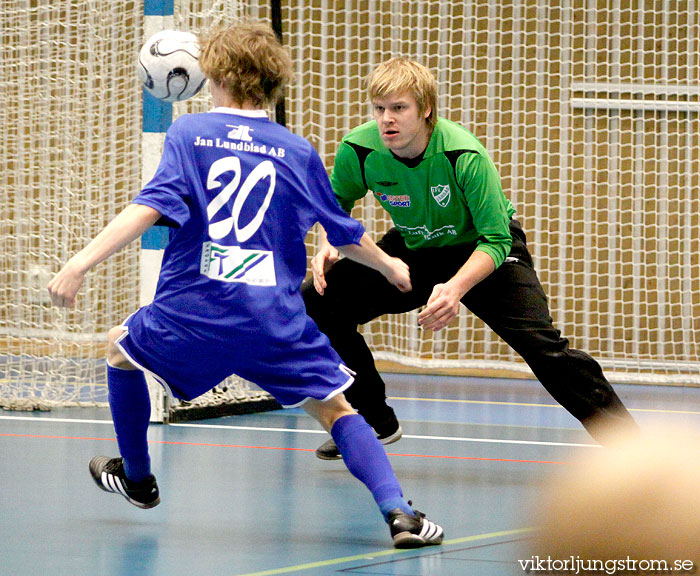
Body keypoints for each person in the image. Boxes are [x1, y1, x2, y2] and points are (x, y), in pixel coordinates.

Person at [47, 24, 443, 549]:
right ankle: (399, 513)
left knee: (121, 353)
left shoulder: (188, 135)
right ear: (274, 80)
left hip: (195, 311)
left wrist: (79, 264)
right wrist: (390, 267)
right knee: (336, 410)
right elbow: (343, 234)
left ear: (212, 74)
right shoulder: (296, 150)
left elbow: (148, 208)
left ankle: (138, 479)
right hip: (272, 320)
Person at [302, 57, 638, 460]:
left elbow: (496, 239)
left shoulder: (464, 154)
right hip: (418, 249)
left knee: (543, 347)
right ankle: (374, 420)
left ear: (425, 109)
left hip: (485, 251)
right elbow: (334, 206)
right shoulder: (359, 149)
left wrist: (455, 289)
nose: (386, 120)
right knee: (317, 301)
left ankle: (633, 451)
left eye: (398, 108)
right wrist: (329, 242)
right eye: (380, 109)